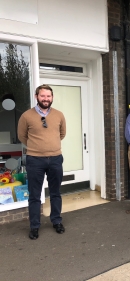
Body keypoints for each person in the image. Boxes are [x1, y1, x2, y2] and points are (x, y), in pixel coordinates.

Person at [17, 84, 66, 240]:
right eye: (43, 96)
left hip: (55, 159)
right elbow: (22, 136)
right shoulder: (26, 116)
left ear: (52, 98)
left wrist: (50, 147)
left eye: (48, 96)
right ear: (36, 96)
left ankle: (56, 221)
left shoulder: (59, 115)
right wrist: (37, 147)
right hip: (34, 160)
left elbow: (62, 134)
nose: (46, 99)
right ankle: (34, 226)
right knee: (35, 195)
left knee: (55, 193)